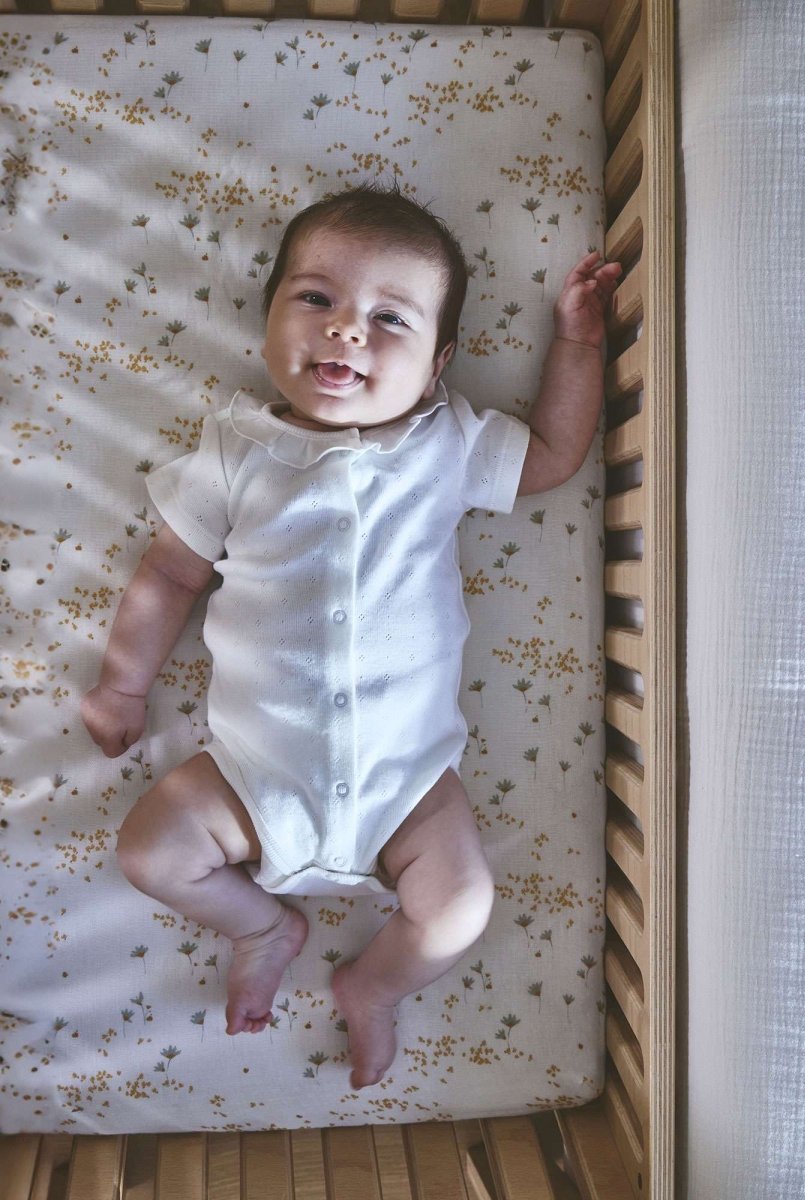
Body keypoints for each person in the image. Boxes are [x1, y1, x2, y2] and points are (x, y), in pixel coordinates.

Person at [81, 183, 621, 1090]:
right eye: (317, 299)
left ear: (440, 363)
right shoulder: (236, 449)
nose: (345, 330)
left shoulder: (448, 442)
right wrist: (123, 684)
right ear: (268, 324)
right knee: (149, 850)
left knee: (458, 907)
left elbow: (556, 456)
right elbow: (169, 573)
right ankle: (261, 924)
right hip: (255, 774)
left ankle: (372, 986)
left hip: (407, 787)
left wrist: (575, 344)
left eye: (389, 319)